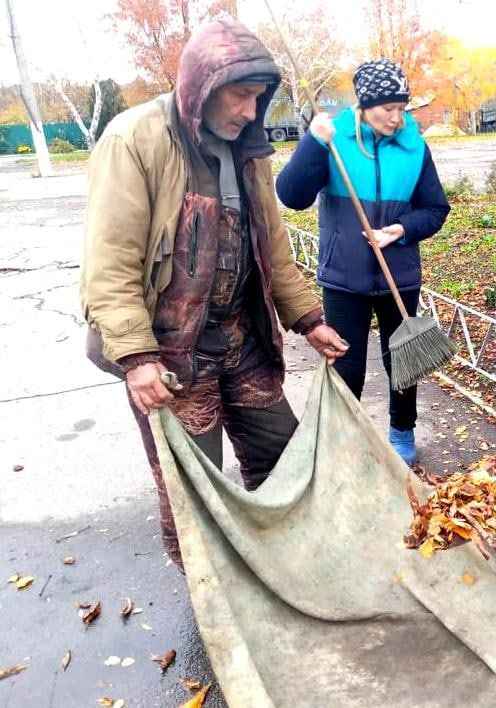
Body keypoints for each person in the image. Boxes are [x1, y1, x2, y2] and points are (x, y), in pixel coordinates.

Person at [79, 18, 348, 568]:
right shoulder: (135, 140)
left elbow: (272, 248)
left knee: (285, 455)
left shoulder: (248, 149)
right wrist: (137, 357)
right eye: (241, 95)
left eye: (259, 98)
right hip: (170, 356)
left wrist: (307, 319)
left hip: (241, 336)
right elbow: (109, 267)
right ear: (203, 84)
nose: (252, 111)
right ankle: (213, 593)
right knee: (193, 486)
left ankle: (285, 568)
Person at [275, 59, 450, 467]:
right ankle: (342, 439)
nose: (397, 116)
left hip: (399, 276)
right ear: (365, 105)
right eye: (388, 108)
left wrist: (401, 230)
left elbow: (436, 209)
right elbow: (292, 195)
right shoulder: (335, 140)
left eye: (401, 107)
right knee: (346, 367)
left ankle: (401, 432)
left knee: (403, 362)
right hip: (344, 278)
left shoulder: (415, 148)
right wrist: (312, 144)